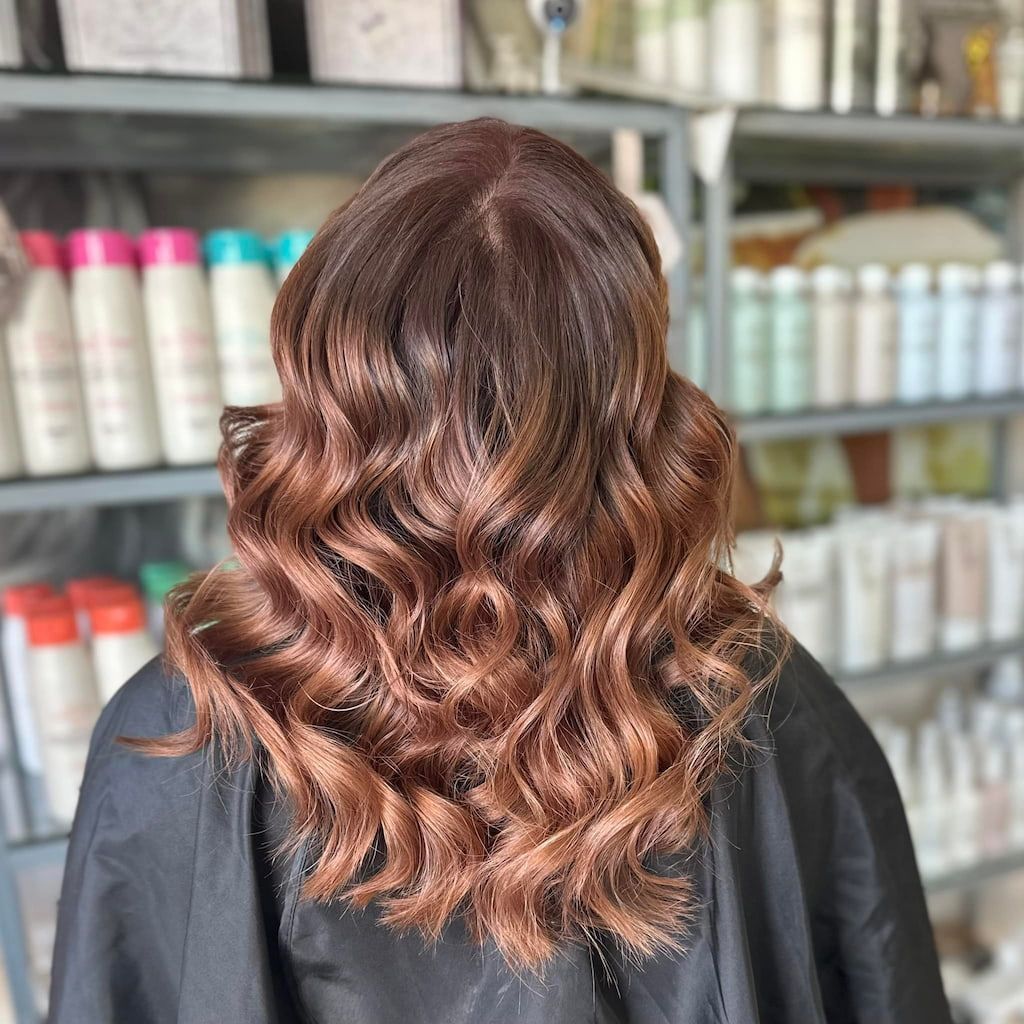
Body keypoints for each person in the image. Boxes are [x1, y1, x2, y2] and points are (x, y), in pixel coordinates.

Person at [49, 119, 950, 1024]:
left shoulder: (175, 729)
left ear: (324, 379)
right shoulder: (756, 700)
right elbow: (880, 977)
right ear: (634, 403)